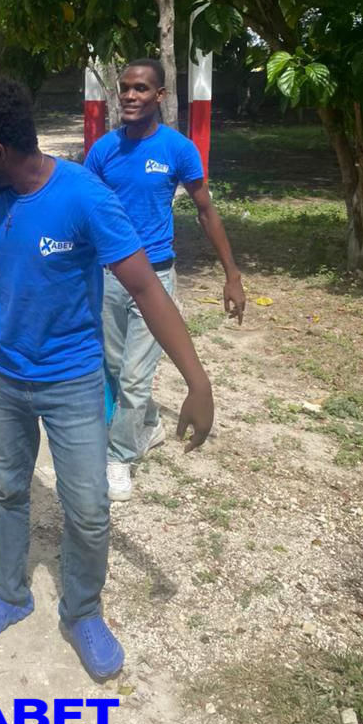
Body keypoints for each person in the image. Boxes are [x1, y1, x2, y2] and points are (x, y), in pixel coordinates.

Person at [0, 77, 214, 683]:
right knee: (7, 491)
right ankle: (10, 594)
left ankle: (83, 611)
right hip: (6, 377)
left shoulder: (84, 197)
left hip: (71, 381)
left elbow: (146, 288)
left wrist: (197, 382)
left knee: (89, 509)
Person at [85, 59, 245, 501]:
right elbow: (85, 212)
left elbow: (206, 211)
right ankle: (149, 423)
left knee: (135, 376)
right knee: (113, 368)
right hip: (109, 277)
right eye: (125, 88)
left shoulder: (178, 149)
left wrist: (232, 275)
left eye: (141, 88)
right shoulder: (103, 151)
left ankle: (119, 456)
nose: (130, 95)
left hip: (156, 281)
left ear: (160, 96)